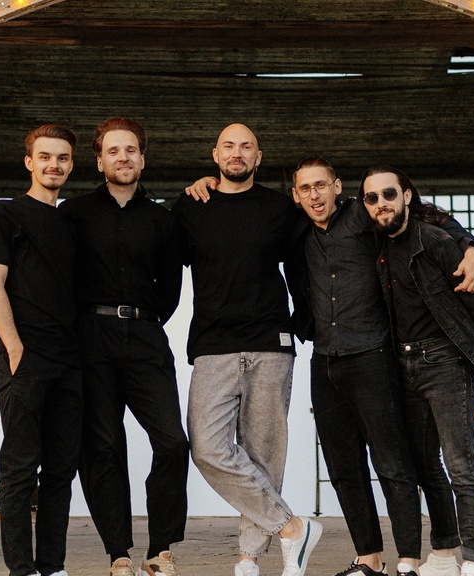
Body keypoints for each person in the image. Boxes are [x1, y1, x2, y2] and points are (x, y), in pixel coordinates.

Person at [187, 159, 474, 576]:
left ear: (337, 187)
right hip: (324, 360)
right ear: (296, 195)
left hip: (372, 356)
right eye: (305, 189)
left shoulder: (362, 214)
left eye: (321, 186)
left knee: (392, 464)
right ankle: (369, 559)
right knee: (343, 468)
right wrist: (211, 183)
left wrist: (469, 246)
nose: (314, 195)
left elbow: (420, 215)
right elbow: (243, 226)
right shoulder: (297, 227)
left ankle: (408, 561)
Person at [170, 123, 321, 576]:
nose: (237, 153)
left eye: (246, 146)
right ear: (215, 155)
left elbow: (309, 260)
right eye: (229, 146)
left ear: (258, 157)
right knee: (207, 447)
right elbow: (160, 258)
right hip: (213, 345)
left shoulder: (280, 208)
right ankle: (293, 527)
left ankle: (249, 558)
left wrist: (306, 325)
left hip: (271, 344)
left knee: (263, 453)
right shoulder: (191, 206)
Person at [58, 118, 189, 576]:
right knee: (103, 447)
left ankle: (161, 549)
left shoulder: (162, 219)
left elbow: (170, 290)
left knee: (172, 442)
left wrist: (141, 322)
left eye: (131, 149)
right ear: (99, 161)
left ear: (142, 159)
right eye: (113, 151)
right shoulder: (72, 214)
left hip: (147, 337)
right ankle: (118, 553)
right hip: (90, 340)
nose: (123, 157)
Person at [361, 166, 474, 576]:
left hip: (444, 362)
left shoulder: (436, 241)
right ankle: (442, 554)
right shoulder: (377, 244)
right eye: (372, 197)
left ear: (407, 195)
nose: (381, 203)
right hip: (402, 365)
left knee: (461, 464)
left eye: (389, 194)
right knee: (424, 464)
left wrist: (458, 346)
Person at [0, 124, 83, 576]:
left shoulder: (72, 223)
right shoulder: (4, 214)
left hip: (70, 362)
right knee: (21, 467)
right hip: (25, 359)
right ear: (29, 162)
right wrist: (15, 349)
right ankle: (21, 569)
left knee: (60, 470)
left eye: (62, 158)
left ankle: (52, 566)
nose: (53, 165)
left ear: (71, 165)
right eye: (45, 157)